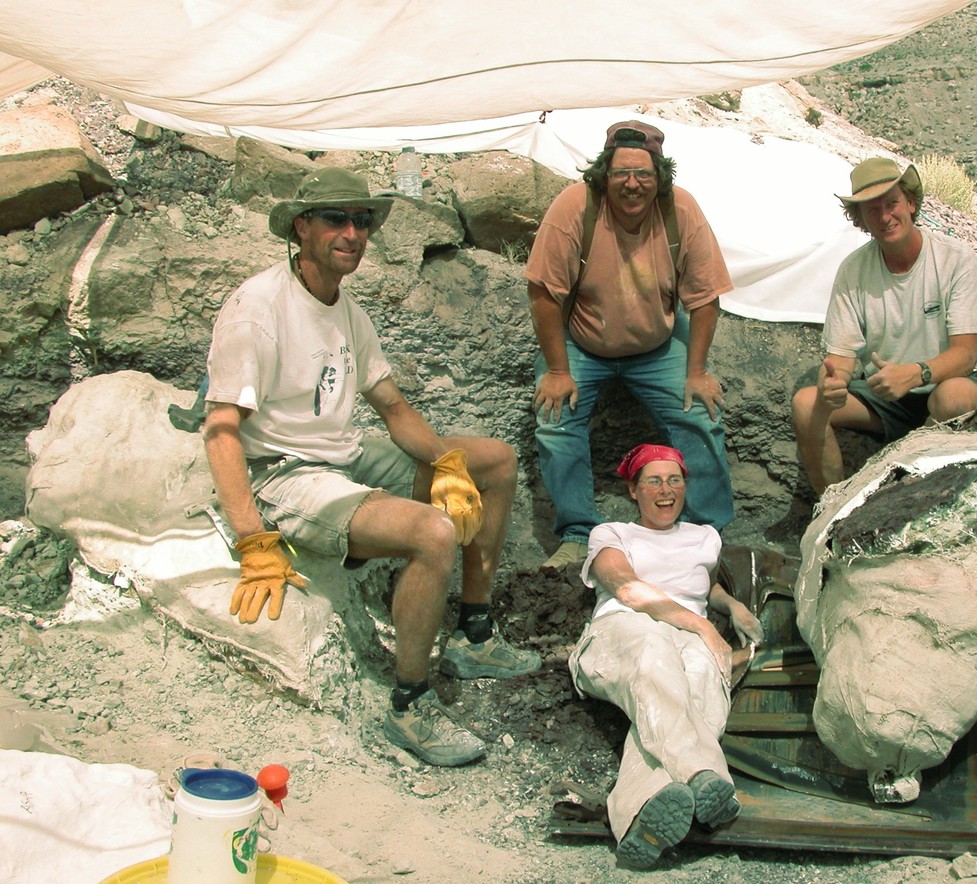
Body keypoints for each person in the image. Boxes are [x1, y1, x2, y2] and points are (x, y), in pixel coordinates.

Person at [202, 167, 540, 769]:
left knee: (497, 461)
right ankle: (409, 705)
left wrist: (449, 463)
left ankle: (474, 634)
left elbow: (391, 406)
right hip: (283, 470)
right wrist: (253, 538)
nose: (353, 233)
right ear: (301, 227)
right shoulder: (257, 308)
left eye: (362, 221)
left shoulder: (345, 309)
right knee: (432, 531)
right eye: (337, 219)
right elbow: (222, 432)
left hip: (343, 450)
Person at [525, 120, 735, 571]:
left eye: (644, 173)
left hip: (656, 345)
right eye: (621, 173)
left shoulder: (680, 210)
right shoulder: (575, 207)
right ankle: (580, 532)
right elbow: (544, 293)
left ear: (660, 178)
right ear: (604, 174)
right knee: (555, 419)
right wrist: (559, 373)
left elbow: (706, 296)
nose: (633, 184)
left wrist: (696, 371)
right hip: (583, 340)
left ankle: (709, 532)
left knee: (700, 413)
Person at [567, 444, 762, 869]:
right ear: (633, 490)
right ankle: (703, 774)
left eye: (675, 480)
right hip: (624, 630)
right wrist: (705, 626)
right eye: (653, 480)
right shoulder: (611, 533)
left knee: (699, 680)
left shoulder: (705, 536)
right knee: (655, 655)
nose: (666, 489)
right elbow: (626, 588)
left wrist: (731, 607)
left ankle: (641, 810)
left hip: (688, 633)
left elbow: (702, 585)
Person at [791, 158, 977, 495]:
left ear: (911, 203)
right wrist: (834, 383)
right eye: (872, 211)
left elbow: (966, 353)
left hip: (947, 381)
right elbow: (841, 358)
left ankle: (902, 494)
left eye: (892, 203)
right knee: (806, 404)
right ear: (860, 220)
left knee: (953, 399)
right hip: (886, 395)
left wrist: (915, 374)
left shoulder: (955, 258)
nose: (885, 217)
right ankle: (830, 509)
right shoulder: (853, 271)